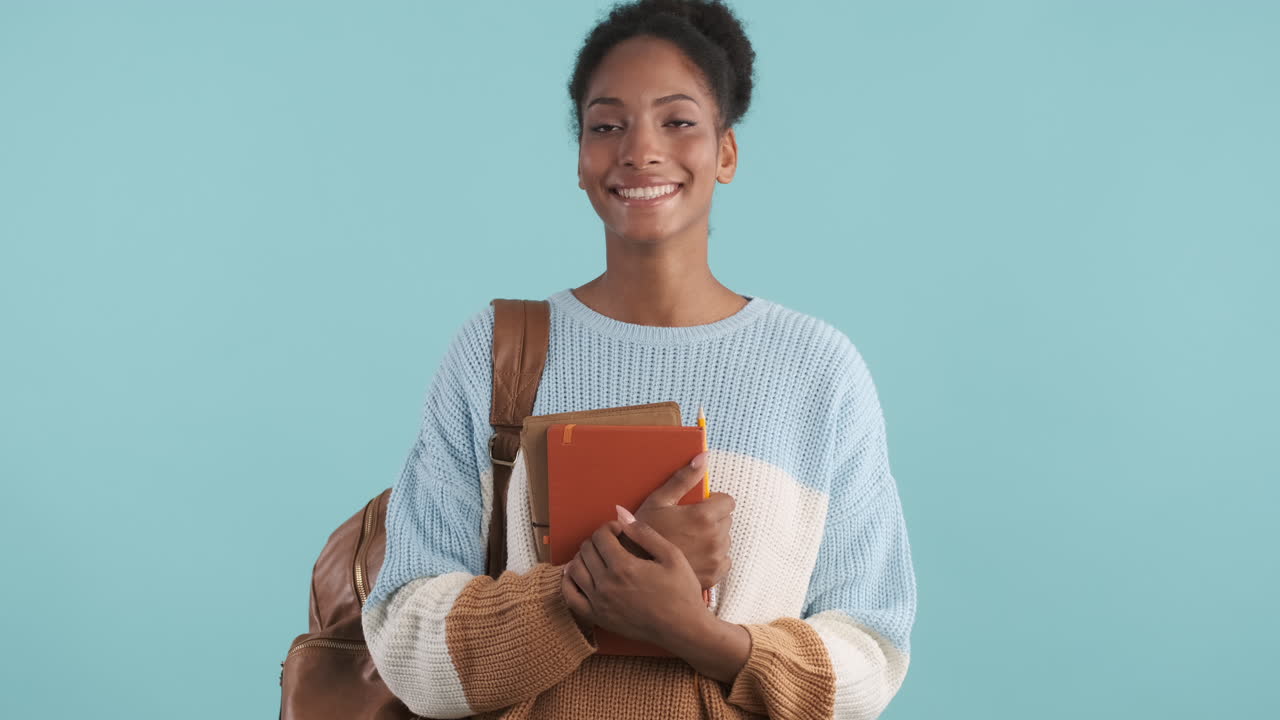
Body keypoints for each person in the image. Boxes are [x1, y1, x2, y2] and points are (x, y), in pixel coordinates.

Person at [361, 1, 917, 717]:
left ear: (726, 153)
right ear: (581, 160)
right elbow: (404, 638)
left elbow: (873, 651)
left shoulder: (819, 371)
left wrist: (694, 631)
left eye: (678, 121)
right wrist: (592, 591)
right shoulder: (497, 353)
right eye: (606, 125)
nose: (640, 149)